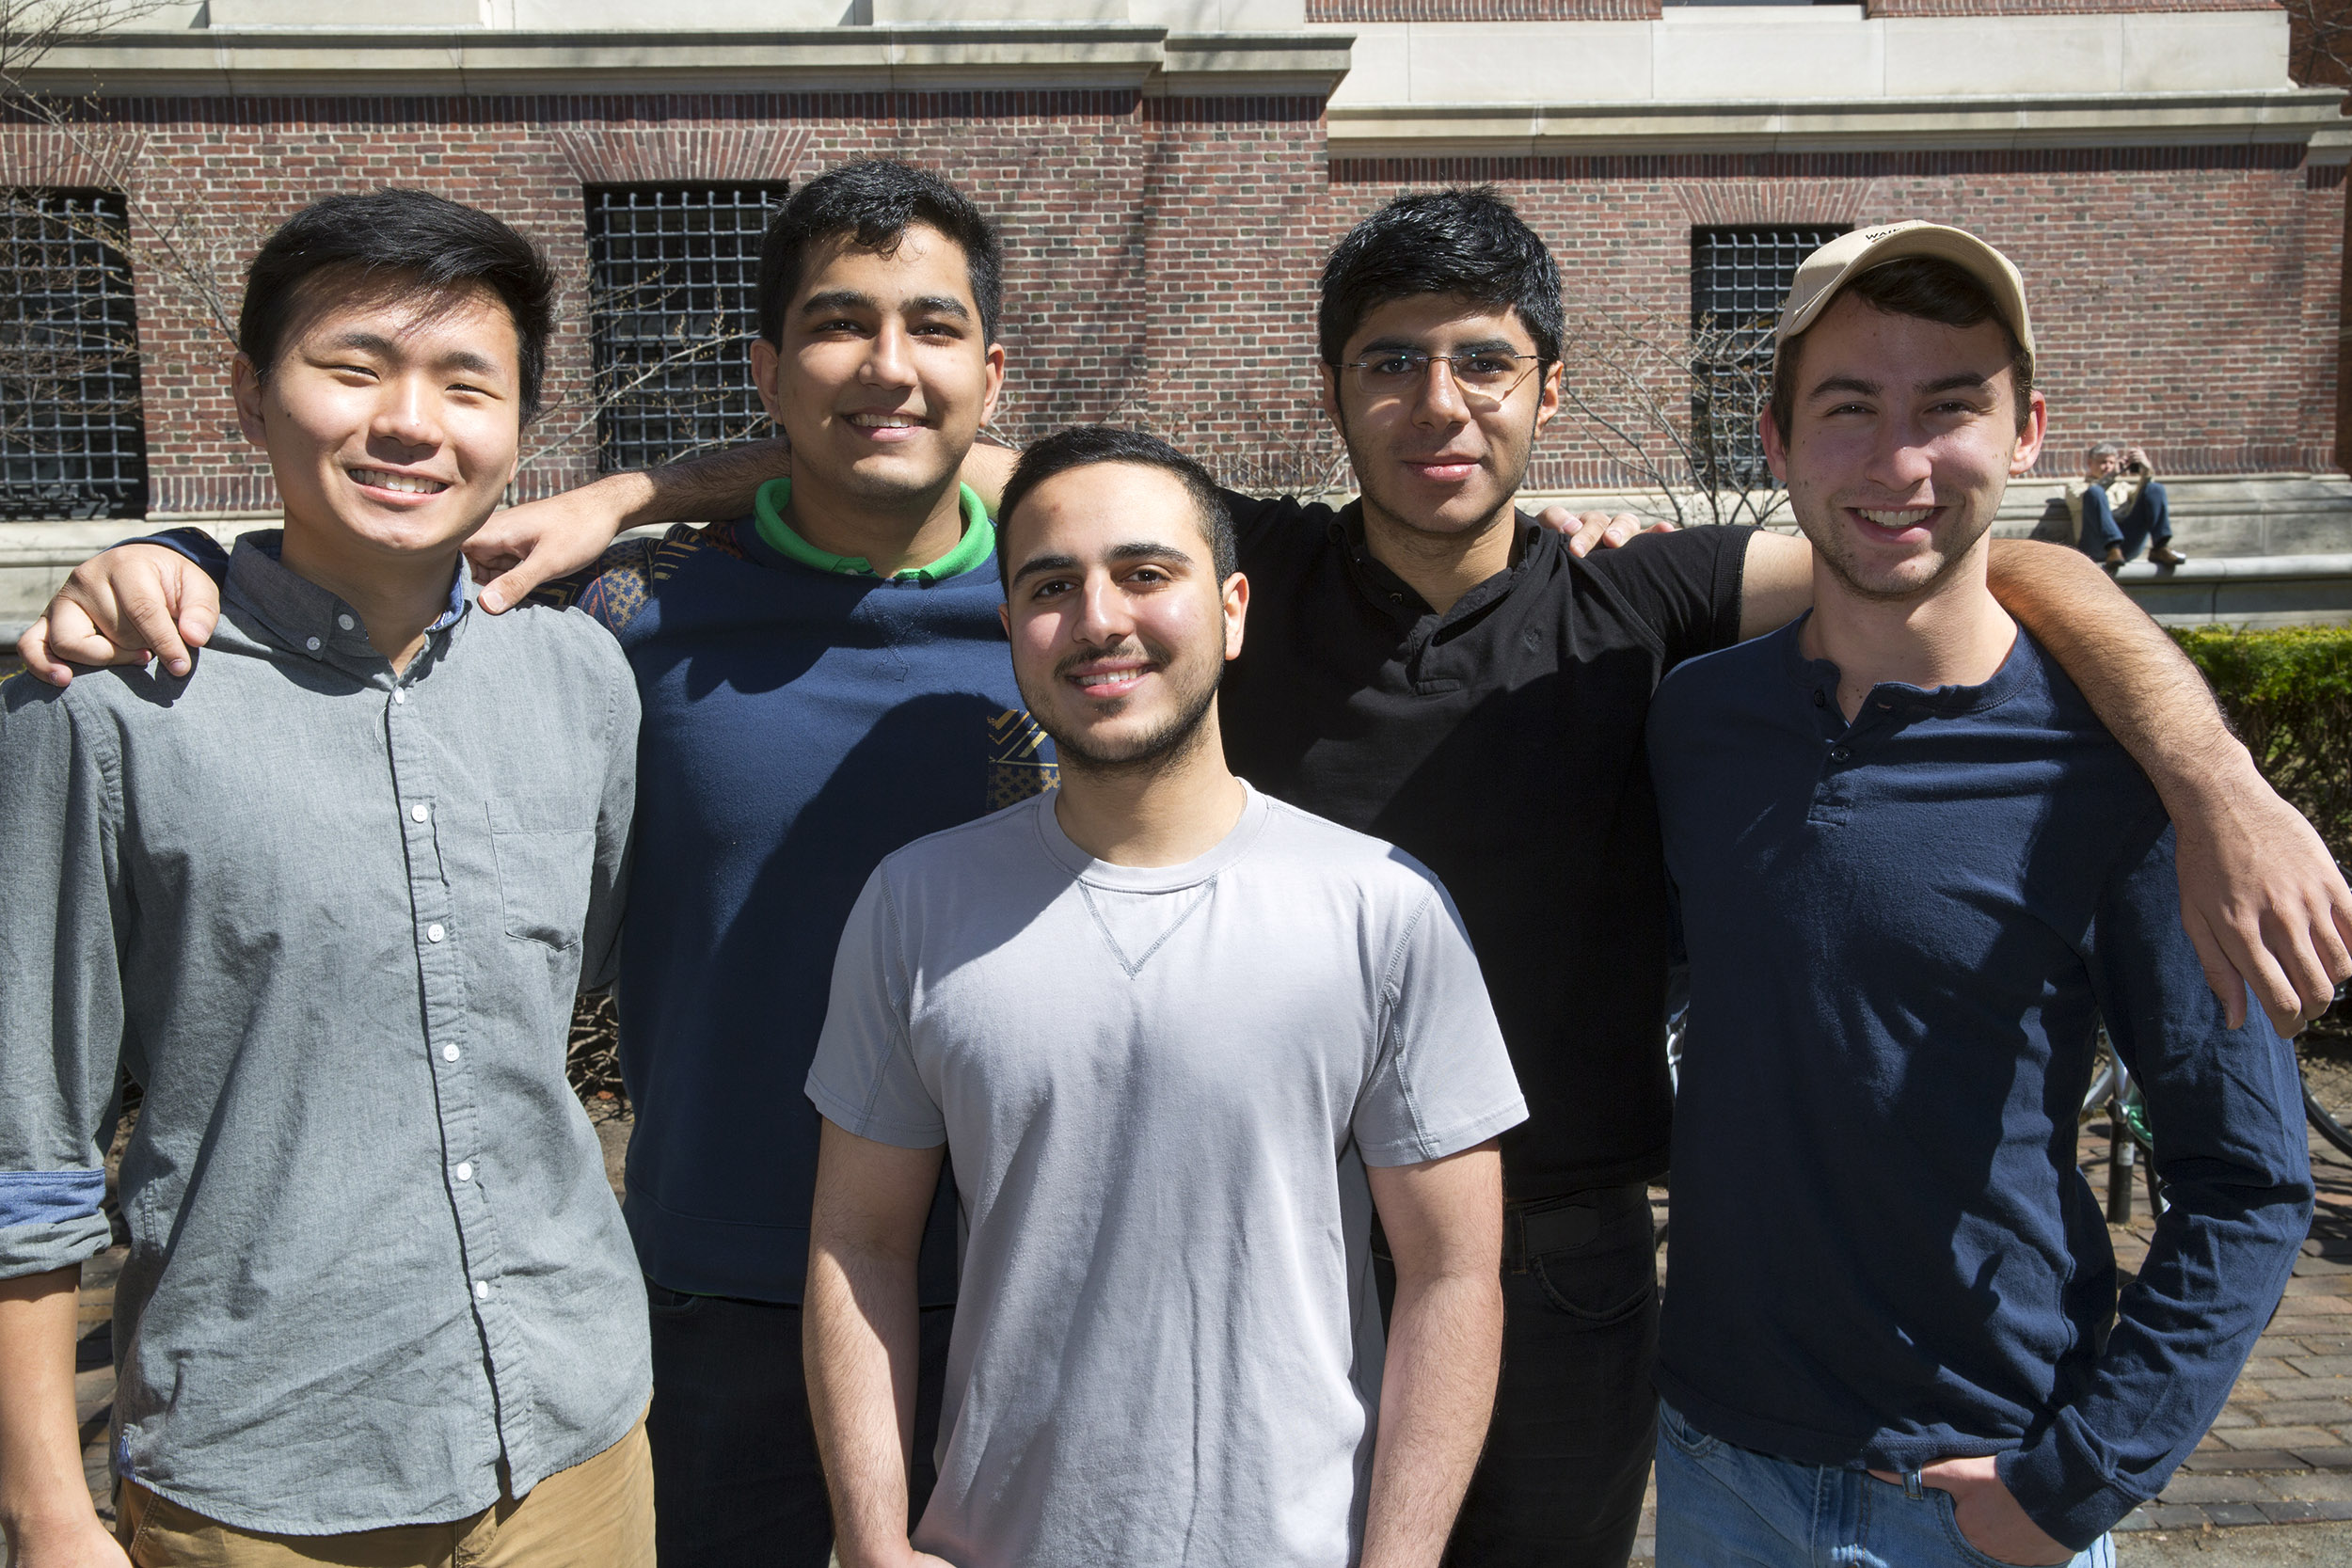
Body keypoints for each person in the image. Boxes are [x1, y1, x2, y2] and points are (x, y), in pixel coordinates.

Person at [23, 182, 2352, 1568]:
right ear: (1328, 408)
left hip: (1493, 1276)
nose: (1436, 407)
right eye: (1388, 367)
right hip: (932, 1285)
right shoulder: (724, 618)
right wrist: (618, 499)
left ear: (1548, 395)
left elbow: (1951, 545)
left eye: (1482, 367)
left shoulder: (1640, 612)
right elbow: (955, 458)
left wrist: (2210, 773)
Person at [1645, 222, 2312, 1567]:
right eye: (1849, 410)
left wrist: (2078, 1478)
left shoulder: (2114, 772)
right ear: (1772, 442)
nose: (1900, 462)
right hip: (1716, 1470)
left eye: (1950, 407)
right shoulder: (1693, 725)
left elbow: (2247, 1176)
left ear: (2027, 431)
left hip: (1969, 1498)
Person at [0, 191, 652, 1567]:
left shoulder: (583, 680)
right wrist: (49, 1505)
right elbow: (26, 1135)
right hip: (263, 1468)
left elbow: (556, 986)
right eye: (353, 368)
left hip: (576, 1433)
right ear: (249, 395)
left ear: (521, 426)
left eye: (466, 382)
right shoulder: (103, 708)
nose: (410, 421)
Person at [803, 425, 1526, 1568]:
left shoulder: (1378, 906)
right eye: (1051, 585)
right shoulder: (917, 901)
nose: (1098, 619)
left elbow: (1453, 1272)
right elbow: (859, 1243)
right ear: (1009, 630)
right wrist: (872, 1540)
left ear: (1232, 609)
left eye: (1145, 573)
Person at [2069, 439, 2182, 568]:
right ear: (2090, 463)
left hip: (2127, 546)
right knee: (2095, 492)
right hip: (2095, 546)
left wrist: (2146, 468)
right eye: (2103, 462)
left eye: (2111, 462)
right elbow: (2082, 499)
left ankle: (2160, 547)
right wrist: (2112, 475)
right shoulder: (2076, 487)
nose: (2108, 466)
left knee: (2155, 489)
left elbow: (2144, 497)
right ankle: (2113, 548)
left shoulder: (2123, 487)